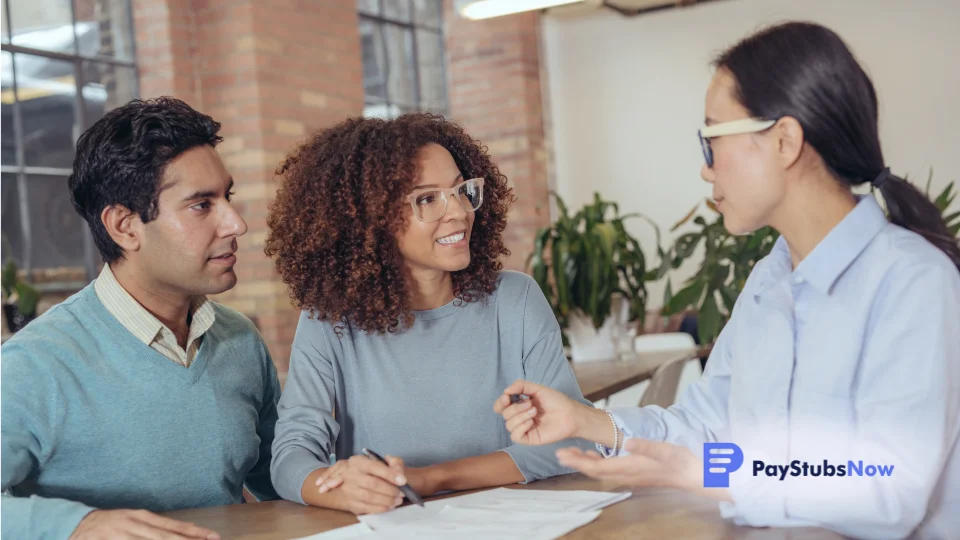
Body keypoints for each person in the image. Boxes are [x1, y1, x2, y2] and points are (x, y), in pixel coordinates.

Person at [495, 21, 960, 540]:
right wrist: (586, 422)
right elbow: (705, 426)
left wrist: (709, 473)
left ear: (784, 140)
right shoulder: (769, 281)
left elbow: (886, 485)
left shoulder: (913, 283)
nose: (705, 169)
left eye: (711, 138)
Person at [264, 113, 595, 515]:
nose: (457, 212)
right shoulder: (329, 321)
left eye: (460, 190)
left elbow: (572, 443)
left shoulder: (516, 299)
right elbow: (291, 457)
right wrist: (336, 486)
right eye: (427, 199)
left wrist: (432, 478)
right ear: (370, 221)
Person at [1, 97, 282, 540]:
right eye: (200, 205)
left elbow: (279, 479)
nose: (236, 224)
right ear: (124, 226)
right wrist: (79, 525)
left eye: (226, 197)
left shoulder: (240, 340)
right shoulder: (34, 364)